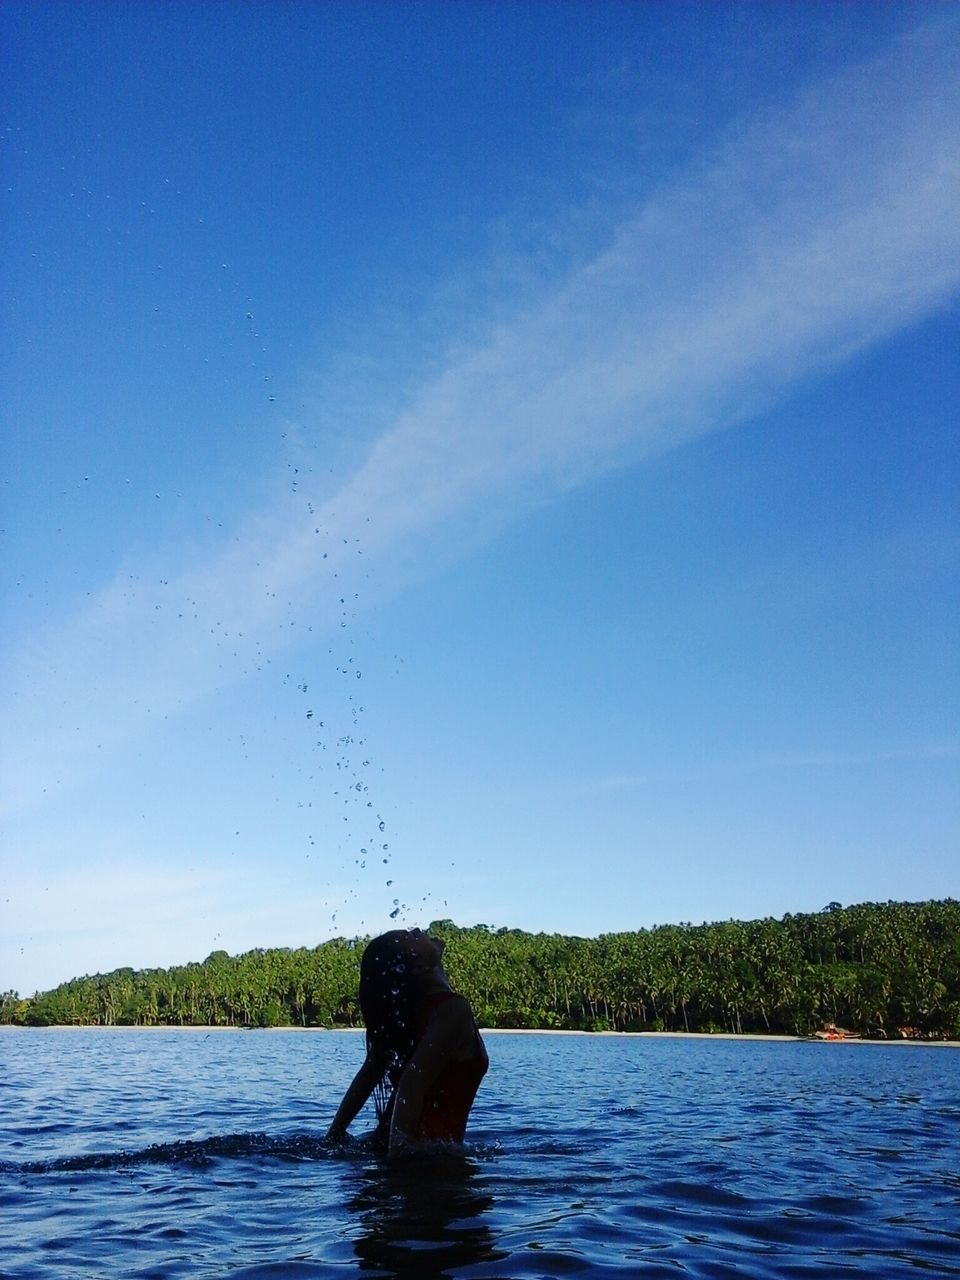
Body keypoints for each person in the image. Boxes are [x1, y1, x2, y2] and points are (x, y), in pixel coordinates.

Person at [326, 928, 488, 1157]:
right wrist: (399, 1159)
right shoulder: (452, 1010)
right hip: (428, 1165)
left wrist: (333, 1135)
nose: (416, 930)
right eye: (410, 937)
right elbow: (411, 1083)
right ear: (420, 966)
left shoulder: (418, 1015)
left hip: (400, 1150)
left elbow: (371, 1071)